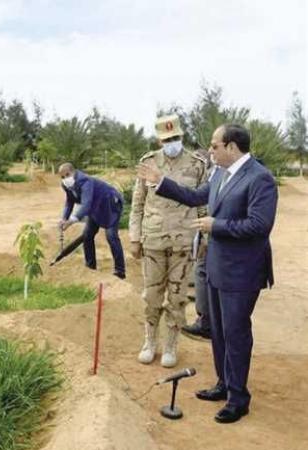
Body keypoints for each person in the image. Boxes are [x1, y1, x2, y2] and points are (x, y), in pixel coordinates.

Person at [137, 124, 278, 424]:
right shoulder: (218, 174)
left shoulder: (260, 178)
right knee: (218, 332)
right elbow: (193, 196)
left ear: (231, 147)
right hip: (216, 266)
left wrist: (217, 226)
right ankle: (223, 384)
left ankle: (239, 399)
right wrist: (161, 182)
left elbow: (259, 225)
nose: (209, 150)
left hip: (242, 272)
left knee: (236, 334)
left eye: (214, 146)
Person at [130, 115, 207, 368]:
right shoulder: (148, 163)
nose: (171, 142)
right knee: (151, 296)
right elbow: (138, 205)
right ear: (159, 140)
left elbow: (202, 205)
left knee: (177, 297)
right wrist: (134, 238)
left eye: (175, 138)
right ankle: (150, 342)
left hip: (183, 242)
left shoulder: (197, 164)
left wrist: (204, 238)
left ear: (181, 136)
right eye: (166, 139)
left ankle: (171, 345)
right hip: (152, 241)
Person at [58, 162, 126, 279]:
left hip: (110, 204)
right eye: (62, 177)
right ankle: (90, 266)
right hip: (95, 208)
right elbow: (69, 201)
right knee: (87, 236)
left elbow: (86, 205)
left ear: (74, 172)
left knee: (111, 236)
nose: (65, 179)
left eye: (67, 175)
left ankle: (120, 271)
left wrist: (72, 220)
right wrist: (64, 218)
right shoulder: (66, 185)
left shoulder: (85, 181)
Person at [182, 148, 220, 341]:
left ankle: (205, 323)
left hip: (212, 233)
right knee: (201, 270)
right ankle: (208, 319)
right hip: (209, 231)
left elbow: (201, 203)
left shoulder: (215, 173)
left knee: (202, 270)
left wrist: (206, 234)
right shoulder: (217, 172)